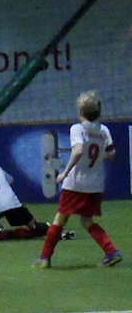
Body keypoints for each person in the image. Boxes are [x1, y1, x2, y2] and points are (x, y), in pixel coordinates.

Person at [34, 90, 122, 268]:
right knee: (86, 220)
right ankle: (111, 251)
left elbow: (78, 150)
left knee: (60, 218)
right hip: (95, 184)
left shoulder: (78, 128)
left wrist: (65, 173)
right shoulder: (103, 130)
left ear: (81, 112)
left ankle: (44, 258)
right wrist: (97, 156)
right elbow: (111, 154)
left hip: (76, 183)